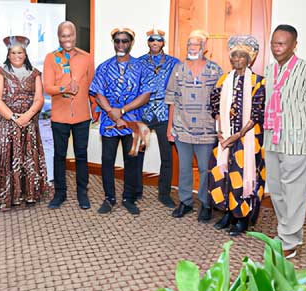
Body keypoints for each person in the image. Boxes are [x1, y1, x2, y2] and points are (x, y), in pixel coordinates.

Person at [264, 24, 306, 258]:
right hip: (272, 139)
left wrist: (300, 127)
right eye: (273, 43)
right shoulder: (270, 71)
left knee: (295, 191)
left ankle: (289, 241)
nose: (276, 48)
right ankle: (286, 232)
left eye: (281, 44)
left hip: (295, 141)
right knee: (277, 189)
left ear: (294, 45)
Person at [0, 35, 49, 211]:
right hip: (4, 124)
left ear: (25, 54)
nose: (17, 55)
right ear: (8, 55)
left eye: (20, 52)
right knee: (5, 157)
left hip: (28, 123)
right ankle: (3, 195)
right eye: (13, 52)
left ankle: (27, 193)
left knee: (27, 158)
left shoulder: (35, 74)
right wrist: (14, 118)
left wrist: (28, 116)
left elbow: (39, 99)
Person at [89, 27, 152, 215]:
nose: (121, 44)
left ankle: (128, 198)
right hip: (109, 122)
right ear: (113, 43)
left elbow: (146, 95)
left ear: (131, 43)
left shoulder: (142, 67)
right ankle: (109, 198)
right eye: (117, 41)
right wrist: (112, 112)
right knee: (107, 160)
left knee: (131, 160)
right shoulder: (104, 66)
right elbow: (98, 93)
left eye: (125, 41)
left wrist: (123, 111)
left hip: (132, 123)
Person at [208, 35, 266, 236]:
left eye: (241, 57)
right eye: (234, 56)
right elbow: (214, 105)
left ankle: (242, 218)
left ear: (249, 59)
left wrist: (238, 135)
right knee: (224, 175)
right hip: (224, 137)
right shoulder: (224, 80)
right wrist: (220, 130)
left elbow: (257, 113)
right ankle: (228, 213)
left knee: (242, 176)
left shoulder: (258, 82)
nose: (236, 60)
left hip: (247, 140)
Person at [165, 29, 223, 222]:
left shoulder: (215, 70)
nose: (192, 47)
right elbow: (171, 99)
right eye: (190, 44)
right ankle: (186, 202)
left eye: (196, 44)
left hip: (206, 131)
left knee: (206, 169)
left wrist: (220, 129)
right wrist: (169, 128)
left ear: (204, 48)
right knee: (184, 168)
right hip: (182, 128)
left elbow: (221, 101)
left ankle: (206, 204)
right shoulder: (178, 69)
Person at [43, 21, 94, 210]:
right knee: (59, 155)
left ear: (75, 36)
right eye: (64, 36)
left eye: (70, 35)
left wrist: (94, 109)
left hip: (81, 116)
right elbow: (47, 87)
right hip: (59, 116)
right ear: (59, 37)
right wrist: (64, 88)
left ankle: (82, 193)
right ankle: (60, 193)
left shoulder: (87, 57)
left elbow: (92, 86)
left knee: (82, 155)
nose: (67, 39)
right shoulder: (51, 58)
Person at [136, 28, 179, 208]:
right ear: (148, 42)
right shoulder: (138, 63)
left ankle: (164, 193)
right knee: (136, 152)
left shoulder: (174, 63)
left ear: (163, 42)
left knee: (166, 155)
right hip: (143, 111)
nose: (155, 43)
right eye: (152, 40)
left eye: (159, 40)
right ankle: (135, 190)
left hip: (163, 111)